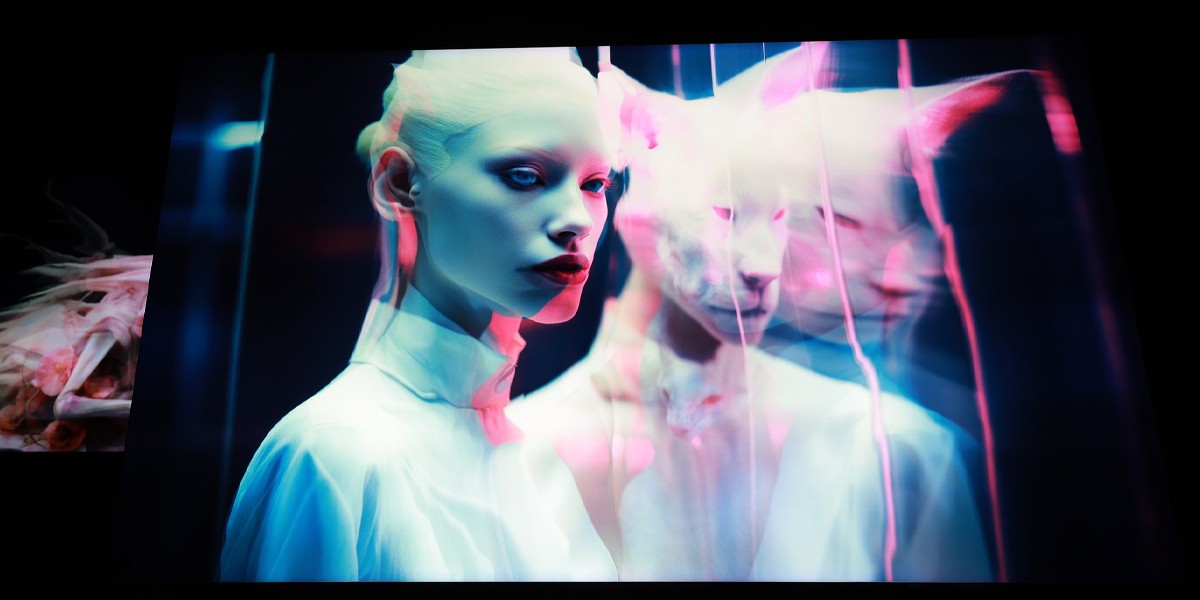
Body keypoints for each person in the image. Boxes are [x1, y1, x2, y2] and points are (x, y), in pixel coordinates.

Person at [218, 46, 619, 582]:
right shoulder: (333, 451)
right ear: (400, 183)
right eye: (525, 176)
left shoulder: (533, 455)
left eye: (595, 184)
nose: (578, 220)